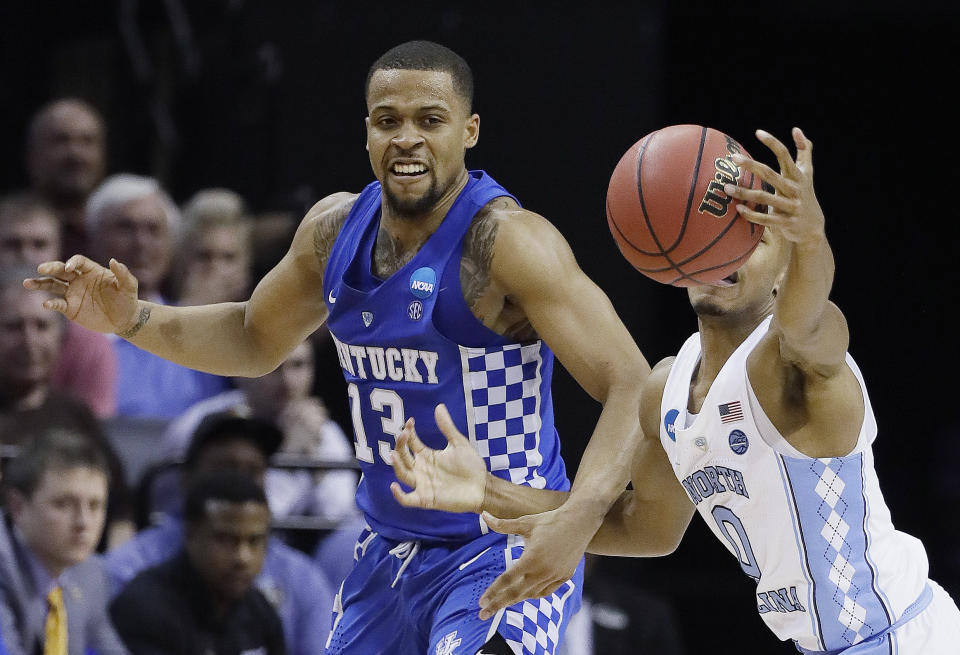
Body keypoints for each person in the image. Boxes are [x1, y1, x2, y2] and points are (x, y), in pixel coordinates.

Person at [26, 40, 650, 655]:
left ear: (470, 131)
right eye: (388, 121)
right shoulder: (334, 231)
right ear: (368, 132)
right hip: (386, 550)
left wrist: (575, 523)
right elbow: (251, 338)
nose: (407, 137)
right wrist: (133, 318)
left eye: (430, 120)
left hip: (498, 543)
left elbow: (630, 382)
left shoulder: (508, 243)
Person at [387, 128, 960, 653]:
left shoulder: (798, 362)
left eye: (751, 242)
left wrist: (811, 239)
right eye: (716, 236)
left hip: (902, 635)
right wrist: (486, 489)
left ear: (787, 271)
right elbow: (643, 529)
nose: (723, 253)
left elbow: (807, 323)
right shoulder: (667, 388)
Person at [102, 412, 336, 655]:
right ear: (187, 476)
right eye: (226, 468)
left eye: (252, 470)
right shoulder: (133, 577)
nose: (242, 557)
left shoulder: (274, 598)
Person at [0, 265, 132, 550]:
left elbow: (121, 509)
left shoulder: (75, 416)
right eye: (13, 327)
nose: (29, 341)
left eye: (41, 326)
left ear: (61, 338)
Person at [160, 338, 358, 525]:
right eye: (273, 367)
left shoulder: (321, 429)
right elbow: (244, 521)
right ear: (240, 370)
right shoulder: (198, 425)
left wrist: (316, 467)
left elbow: (337, 517)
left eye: (298, 365)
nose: (287, 382)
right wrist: (290, 459)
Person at [84, 174, 230, 419]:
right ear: (95, 241)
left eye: (154, 230)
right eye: (126, 228)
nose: (141, 243)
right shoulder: (72, 334)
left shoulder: (203, 335)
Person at [109, 469, 285, 655]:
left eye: (254, 541)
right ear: (190, 535)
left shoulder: (259, 611)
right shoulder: (143, 610)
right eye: (226, 539)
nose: (242, 557)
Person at [0, 429, 127, 655]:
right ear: (18, 507)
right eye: (63, 504)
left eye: (95, 506)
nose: (83, 523)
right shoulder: (3, 569)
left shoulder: (90, 572)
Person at [0, 194, 116, 418]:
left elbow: (91, 435)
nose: (27, 256)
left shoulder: (90, 342)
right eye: (12, 245)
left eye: (39, 244)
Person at [25, 99, 107, 259]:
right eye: (61, 141)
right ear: (33, 154)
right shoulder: (9, 233)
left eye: (87, 141)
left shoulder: (122, 234)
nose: (76, 154)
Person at [173, 188, 253, 306]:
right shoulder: (153, 314)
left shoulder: (266, 320)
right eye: (204, 256)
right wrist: (195, 305)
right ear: (183, 260)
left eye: (229, 257)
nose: (216, 267)